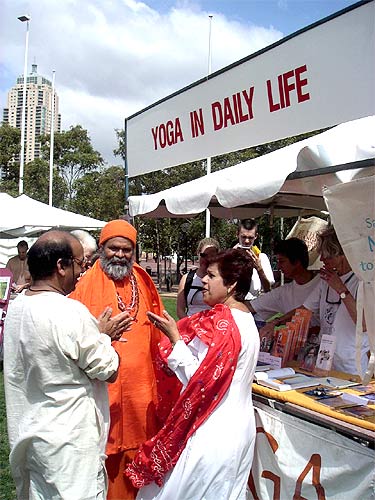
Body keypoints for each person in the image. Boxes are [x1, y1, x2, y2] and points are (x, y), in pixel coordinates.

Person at [126, 249, 260, 499]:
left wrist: (175, 339)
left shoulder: (224, 323)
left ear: (230, 284)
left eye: (211, 275)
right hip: (236, 427)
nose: (203, 281)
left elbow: (200, 380)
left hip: (213, 427)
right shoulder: (246, 318)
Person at [3, 230, 122, 499]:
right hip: (70, 445)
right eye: (80, 264)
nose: (83, 272)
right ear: (61, 266)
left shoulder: (18, 307)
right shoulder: (70, 312)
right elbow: (108, 369)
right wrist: (105, 336)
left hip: (31, 435)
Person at [69, 219, 169, 500]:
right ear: (102, 248)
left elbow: (158, 322)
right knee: (108, 455)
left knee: (141, 448)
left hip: (141, 388)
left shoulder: (142, 279)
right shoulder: (86, 284)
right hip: (105, 388)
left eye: (127, 250)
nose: (120, 255)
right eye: (114, 248)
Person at [261, 225, 369, 376]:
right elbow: (304, 310)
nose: (322, 259)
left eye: (327, 255)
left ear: (342, 254)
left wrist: (341, 290)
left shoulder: (363, 282)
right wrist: (276, 323)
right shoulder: (325, 280)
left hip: (351, 368)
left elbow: (364, 324)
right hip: (323, 362)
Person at [247, 238, 320, 326]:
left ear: (297, 262)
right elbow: (250, 307)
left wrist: (276, 322)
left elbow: (304, 311)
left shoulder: (324, 283)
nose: (278, 267)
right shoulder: (283, 292)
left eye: (282, 261)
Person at [176, 237, 220, 318]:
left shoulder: (222, 279)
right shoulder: (187, 278)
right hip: (190, 326)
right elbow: (180, 310)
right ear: (198, 254)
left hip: (214, 327)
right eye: (204, 255)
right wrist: (191, 326)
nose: (207, 259)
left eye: (212, 256)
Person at [236, 219, 274, 299]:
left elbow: (268, 289)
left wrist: (259, 269)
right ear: (237, 234)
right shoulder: (230, 256)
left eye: (250, 238)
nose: (246, 241)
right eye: (243, 237)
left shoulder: (261, 258)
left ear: (256, 236)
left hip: (254, 305)